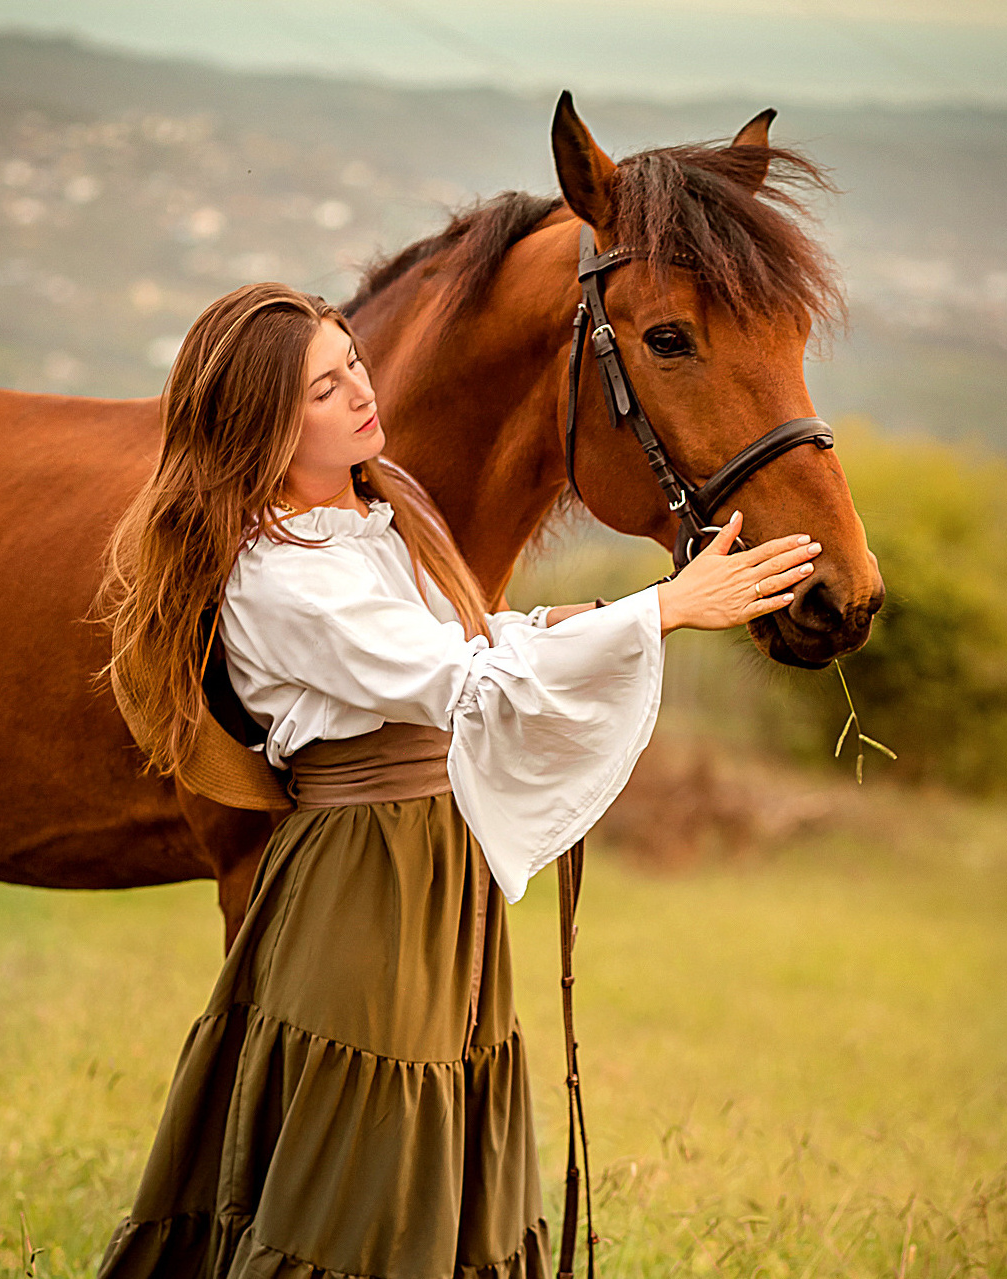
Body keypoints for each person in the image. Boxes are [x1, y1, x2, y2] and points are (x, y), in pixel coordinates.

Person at [95, 283, 821, 1279]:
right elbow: (464, 681)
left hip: (439, 858)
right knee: (360, 1156)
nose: (357, 390)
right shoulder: (279, 572)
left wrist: (623, 613)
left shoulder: (375, 526)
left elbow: (480, 641)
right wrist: (662, 610)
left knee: (437, 1131)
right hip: (367, 871)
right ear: (263, 422)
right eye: (321, 387)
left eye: (352, 362)